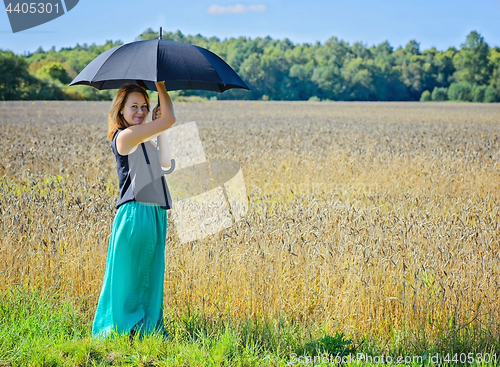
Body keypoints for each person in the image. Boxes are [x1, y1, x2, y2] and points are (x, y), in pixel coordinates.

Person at [92, 81, 176, 340]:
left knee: (149, 277)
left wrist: (159, 128)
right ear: (121, 111)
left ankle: (143, 331)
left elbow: (166, 164)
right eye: (134, 106)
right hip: (135, 213)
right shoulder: (125, 137)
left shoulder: (143, 141)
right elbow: (171, 119)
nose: (140, 111)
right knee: (128, 277)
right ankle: (118, 331)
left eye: (144, 106)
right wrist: (162, 88)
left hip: (154, 215)